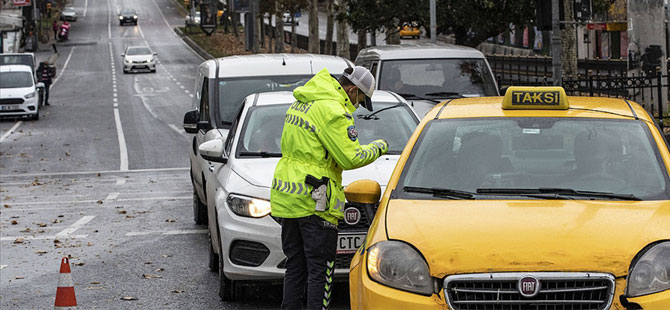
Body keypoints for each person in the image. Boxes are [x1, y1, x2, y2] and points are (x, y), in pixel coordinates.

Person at [271, 66, 388, 310]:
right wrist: (380, 146)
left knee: (296, 265)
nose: (357, 106)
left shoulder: (304, 101)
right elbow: (351, 158)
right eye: (360, 100)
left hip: (289, 198)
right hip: (315, 200)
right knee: (321, 270)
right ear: (353, 90)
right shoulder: (334, 110)